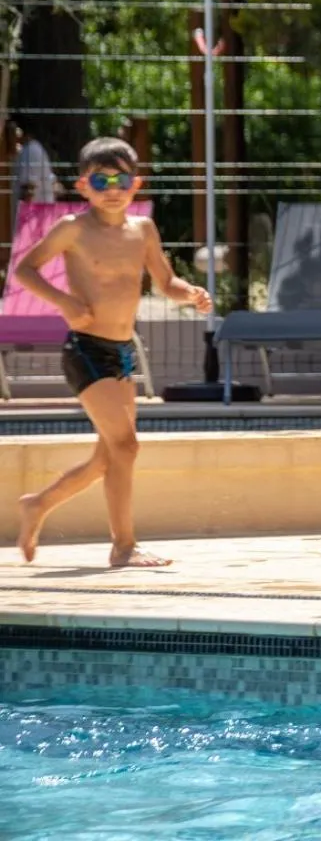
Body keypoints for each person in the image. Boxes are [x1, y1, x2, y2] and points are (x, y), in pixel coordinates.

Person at [13, 137, 212, 567]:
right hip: (85, 348)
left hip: (122, 351)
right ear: (83, 186)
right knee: (124, 446)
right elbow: (25, 269)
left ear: (135, 183)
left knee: (111, 455)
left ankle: (38, 505)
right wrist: (64, 302)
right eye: (100, 180)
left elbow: (165, 282)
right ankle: (123, 546)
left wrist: (190, 293)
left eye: (120, 179)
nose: (112, 188)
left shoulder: (143, 230)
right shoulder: (73, 228)